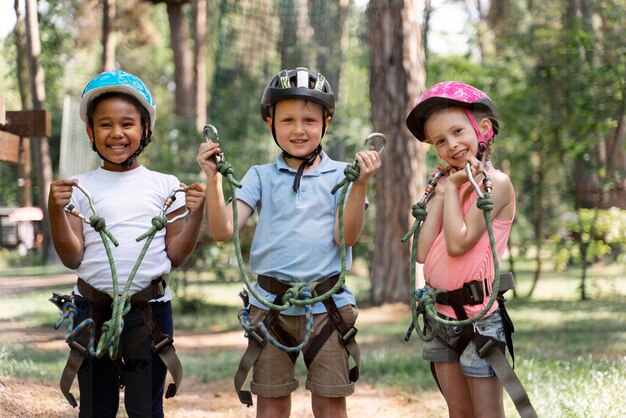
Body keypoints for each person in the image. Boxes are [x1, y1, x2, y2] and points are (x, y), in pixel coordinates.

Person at [196, 67, 381, 418]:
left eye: (309, 120)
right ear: (270, 123)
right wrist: (213, 181)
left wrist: (360, 185)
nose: (299, 130)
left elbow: (346, 237)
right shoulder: (260, 176)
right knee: (272, 404)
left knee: (329, 406)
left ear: (327, 121)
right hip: (271, 307)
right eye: (288, 120)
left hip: (328, 307)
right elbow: (223, 231)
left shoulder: (345, 175)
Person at [48, 70, 205, 418]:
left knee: (145, 409)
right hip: (92, 310)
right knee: (95, 408)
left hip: (149, 313)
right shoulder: (79, 187)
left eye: (128, 124)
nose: (116, 133)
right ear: (90, 132)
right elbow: (72, 257)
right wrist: (55, 211)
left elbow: (176, 254)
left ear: (145, 129)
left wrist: (196, 215)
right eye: (105, 124)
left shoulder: (166, 186)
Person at [405, 81, 515, 418]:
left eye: (457, 131)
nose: (451, 145)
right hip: (441, 316)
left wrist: (452, 188)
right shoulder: (447, 186)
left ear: (482, 129)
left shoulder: (495, 184)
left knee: (486, 414)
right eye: (440, 141)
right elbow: (421, 251)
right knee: (459, 412)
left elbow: (457, 244)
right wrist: (441, 192)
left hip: (479, 319)